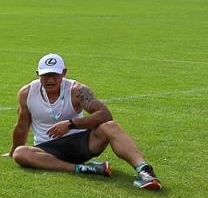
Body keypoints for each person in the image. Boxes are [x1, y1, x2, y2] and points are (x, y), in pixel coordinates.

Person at [9, 53, 161, 189]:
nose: (50, 80)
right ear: (37, 74)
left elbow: (105, 114)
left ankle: (144, 171)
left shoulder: (77, 90)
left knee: (110, 126)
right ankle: (83, 168)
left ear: (64, 73)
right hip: (47, 150)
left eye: (54, 75)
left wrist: (70, 124)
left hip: (80, 143)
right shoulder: (27, 93)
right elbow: (22, 126)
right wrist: (13, 151)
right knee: (20, 153)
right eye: (45, 75)